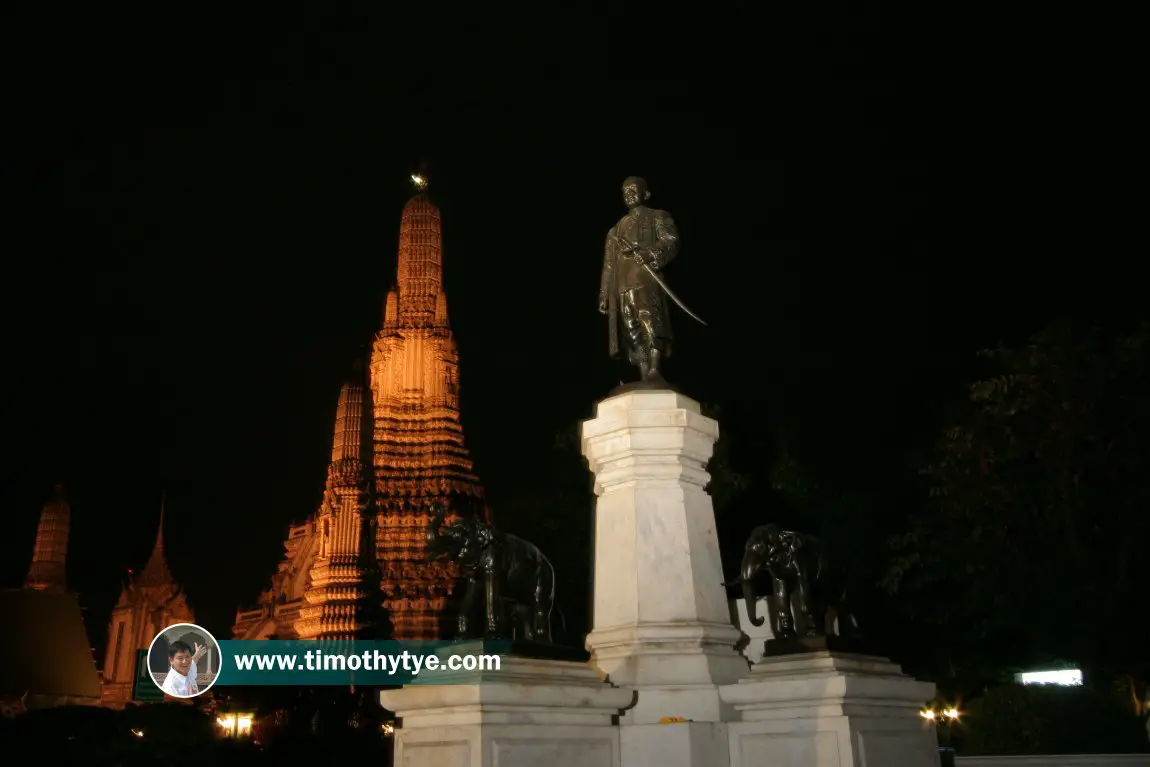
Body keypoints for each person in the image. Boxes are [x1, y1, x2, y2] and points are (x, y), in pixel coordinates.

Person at [599, 176, 681, 383]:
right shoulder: (615, 230)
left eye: (634, 190)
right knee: (630, 327)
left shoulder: (658, 216)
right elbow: (608, 264)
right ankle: (644, 372)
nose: (629, 194)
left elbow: (671, 241)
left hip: (646, 279)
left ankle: (655, 368)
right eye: (625, 191)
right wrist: (604, 294)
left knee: (651, 321)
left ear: (646, 194)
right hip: (623, 284)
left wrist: (650, 253)